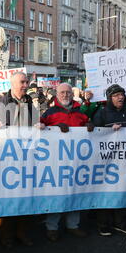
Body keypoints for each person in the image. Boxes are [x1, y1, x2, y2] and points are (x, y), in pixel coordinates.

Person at [0, 71, 43, 249]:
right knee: (7, 197)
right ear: (12, 84)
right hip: (6, 159)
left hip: (26, 157)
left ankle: (22, 232)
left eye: (27, 82)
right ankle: (5, 235)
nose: (26, 85)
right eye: (22, 82)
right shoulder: (1, 104)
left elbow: (36, 122)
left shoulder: (29, 103)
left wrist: (40, 124)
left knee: (25, 195)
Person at [40, 83, 94, 242]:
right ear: (56, 94)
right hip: (55, 161)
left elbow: (87, 124)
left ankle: (73, 225)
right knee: (57, 193)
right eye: (62, 92)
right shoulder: (49, 112)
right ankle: (52, 227)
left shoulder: (81, 111)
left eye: (68, 92)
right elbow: (40, 129)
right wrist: (55, 128)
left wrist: (90, 125)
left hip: (77, 160)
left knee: (75, 191)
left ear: (72, 94)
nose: (65, 95)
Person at [92, 84, 126, 236]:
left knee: (122, 188)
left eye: (122, 94)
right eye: (116, 95)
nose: (120, 97)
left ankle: (121, 222)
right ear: (109, 98)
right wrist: (108, 131)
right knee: (104, 189)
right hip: (105, 161)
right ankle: (103, 224)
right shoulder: (102, 113)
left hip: (123, 161)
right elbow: (93, 132)